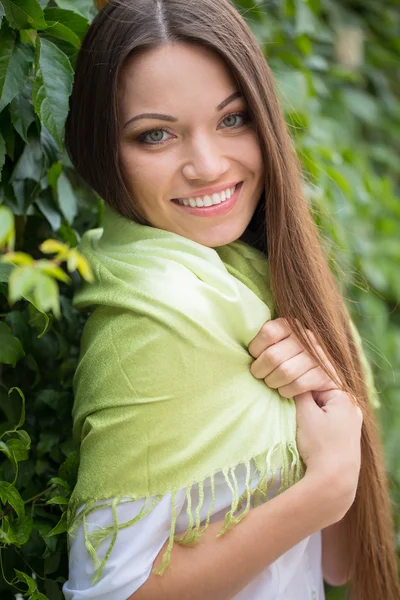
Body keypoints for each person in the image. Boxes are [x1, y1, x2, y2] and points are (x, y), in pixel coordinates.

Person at [62, 1, 400, 599]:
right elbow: (111, 591)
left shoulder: (266, 280)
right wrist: (324, 486)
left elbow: (339, 561)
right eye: (156, 134)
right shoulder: (153, 318)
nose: (208, 165)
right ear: (102, 150)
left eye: (233, 119)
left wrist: (330, 403)